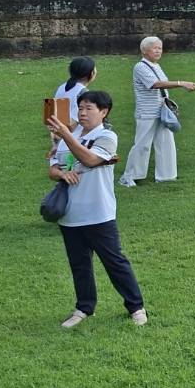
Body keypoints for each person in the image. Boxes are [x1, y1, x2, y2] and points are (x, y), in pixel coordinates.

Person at [47, 90, 148, 328]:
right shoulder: (67, 136)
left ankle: (136, 307)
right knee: (79, 264)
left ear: (104, 112)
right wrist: (61, 173)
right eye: (80, 108)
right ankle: (84, 308)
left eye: (89, 108)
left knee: (115, 262)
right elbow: (52, 168)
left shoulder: (107, 136)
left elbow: (90, 160)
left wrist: (66, 135)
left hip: (98, 213)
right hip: (70, 214)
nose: (83, 112)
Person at [119, 36, 195, 188]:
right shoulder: (140, 66)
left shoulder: (156, 66)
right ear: (144, 50)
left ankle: (166, 176)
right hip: (147, 111)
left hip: (162, 110)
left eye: (160, 48)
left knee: (166, 143)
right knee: (142, 144)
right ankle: (129, 176)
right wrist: (181, 83)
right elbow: (155, 84)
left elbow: (162, 84)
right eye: (154, 48)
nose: (158, 51)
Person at [48, 57, 96, 158]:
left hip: (61, 139)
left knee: (64, 166)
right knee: (72, 167)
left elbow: (54, 118)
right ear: (91, 74)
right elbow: (72, 124)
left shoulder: (62, 88)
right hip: (74, 142)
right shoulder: (83, 93)